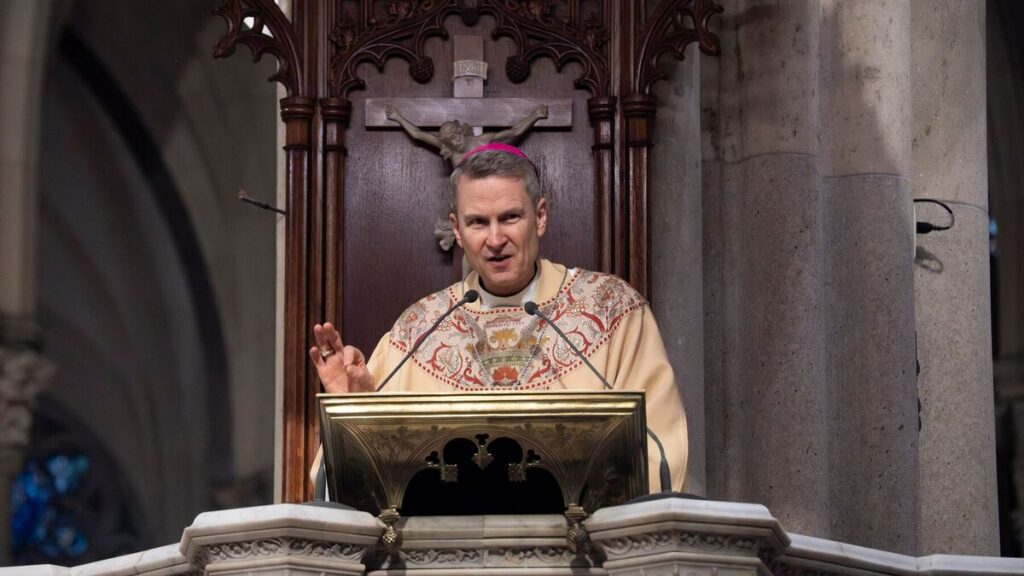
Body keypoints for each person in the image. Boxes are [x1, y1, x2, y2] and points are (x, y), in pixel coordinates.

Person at [309, 143, 688, 491]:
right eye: (478, 222)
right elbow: (347, 484)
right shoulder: (418, 330)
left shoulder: (611, 309)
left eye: (509, 217)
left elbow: (657, 450)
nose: (494, 239)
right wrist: (351, 411)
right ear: (457, 230)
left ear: (540, 216)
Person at [384, 104, 548, 166]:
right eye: (452, 142)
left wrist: (535, 115)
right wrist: (397, 117)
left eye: (457, 137)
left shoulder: (482, 141)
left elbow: (514, 132)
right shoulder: (448, 147)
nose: (457, 143)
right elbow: (417, 134)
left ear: (461, 132)